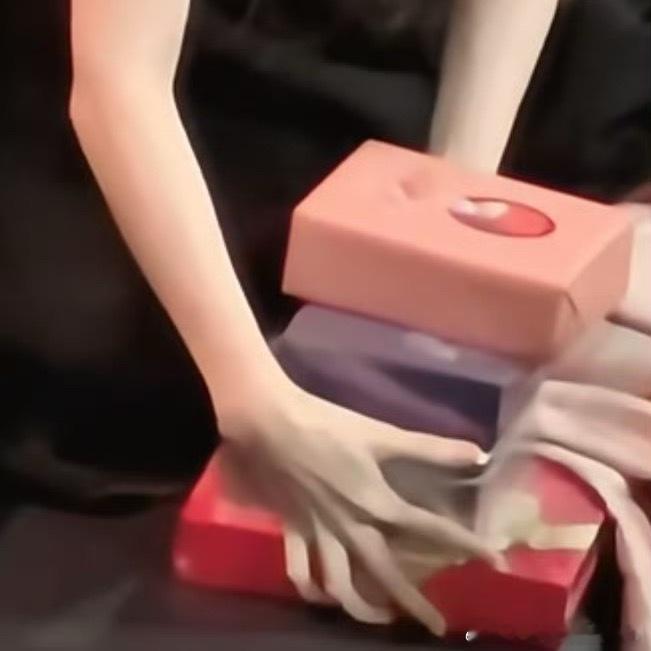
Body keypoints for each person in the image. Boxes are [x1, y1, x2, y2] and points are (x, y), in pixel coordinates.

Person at [66, 0, 563, 633]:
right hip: (136, 172)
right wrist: (255, 396)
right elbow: (119, 79)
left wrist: (446, 216)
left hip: (357, 135)